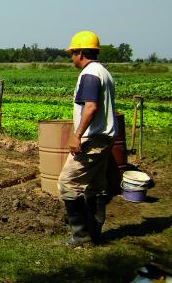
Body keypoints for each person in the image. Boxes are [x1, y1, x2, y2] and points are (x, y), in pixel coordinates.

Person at [57, 30, 116, 246]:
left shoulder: (89, 74)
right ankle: (94, 232)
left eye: (72, 53)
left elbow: (90, 107)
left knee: (67, 183)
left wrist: (77, 135)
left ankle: (80, 236)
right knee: (96, 186)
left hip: (93, 140)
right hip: (106, 138)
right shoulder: (103, 72)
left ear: (80, 53)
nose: (71, 57)